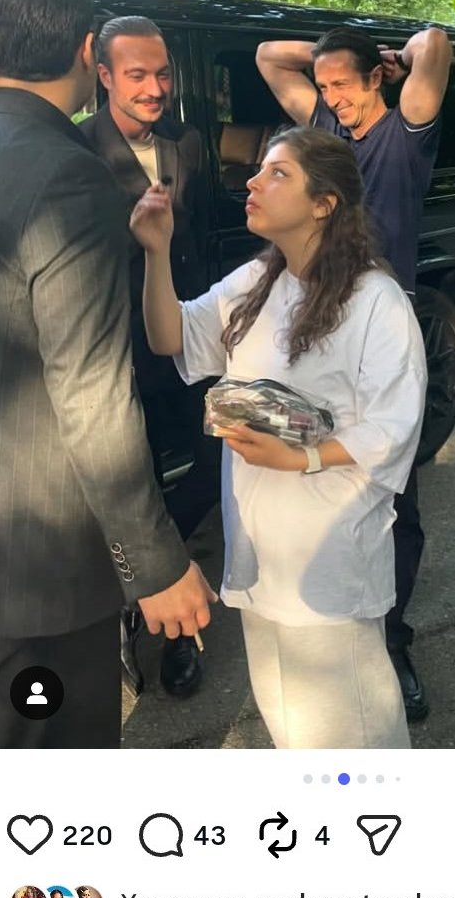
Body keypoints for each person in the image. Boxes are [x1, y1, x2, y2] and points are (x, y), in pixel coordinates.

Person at [0, 0, 217, 749]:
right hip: (38, 563)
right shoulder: (68, 174)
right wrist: (154, 562)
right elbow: (88, 396)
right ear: (90, 53)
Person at [130, 126, 427, 748]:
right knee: (291, 726)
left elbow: (394, 425)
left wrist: (301, 457)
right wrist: (157, 251)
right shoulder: (258, 280)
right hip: (259, 548)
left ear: (324, 203)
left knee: (353, 739)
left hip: (329, 559)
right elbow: (170, 336)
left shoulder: (376, 300)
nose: (254, 182)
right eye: (259, 170)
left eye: (277, 173)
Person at [255, 24, 452, 720]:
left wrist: (396, 56)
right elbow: (267, 55)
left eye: (344, 82)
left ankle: (393, 641)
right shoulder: (322, 127)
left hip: (381, 336)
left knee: (392, 492)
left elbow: (436, 44)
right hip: (313, 333)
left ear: (377, 78)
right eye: (325, 84)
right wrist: (329, 53)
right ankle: (322, 619)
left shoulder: (406, 131)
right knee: (315, 475)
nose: (332, 95)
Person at [81, 16, 219, 699]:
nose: (154, 88)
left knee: (211, 466)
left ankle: (155, 584)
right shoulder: (76, 152)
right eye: (137, 74)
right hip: (113, 357)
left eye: (162, 74)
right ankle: (165, 622)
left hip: (186, 344)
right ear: (103, 74)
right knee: (141, 485)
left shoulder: (185, 144)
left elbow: (203, 242)